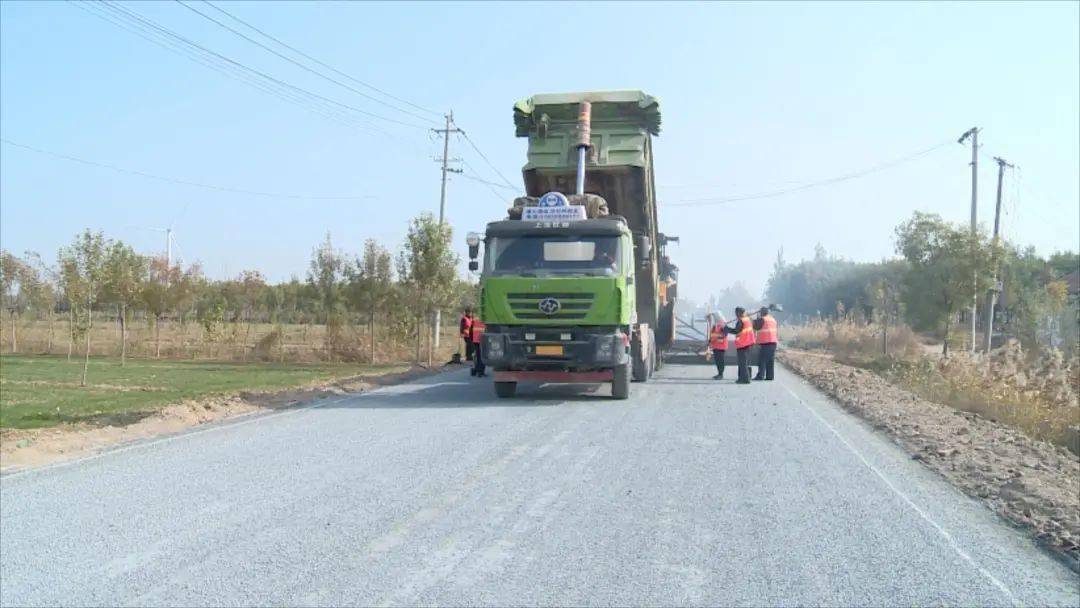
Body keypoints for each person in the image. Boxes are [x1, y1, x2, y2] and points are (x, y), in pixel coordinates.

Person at [727, 306, 756, 384]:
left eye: (736, 313)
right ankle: (741, 378)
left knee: (742, 363)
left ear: (739, 313)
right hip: (748, 343)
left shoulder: (741, 321)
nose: (735, 314)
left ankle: (745, 379)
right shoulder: (747, 319)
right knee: (744, 362)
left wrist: (727, 329)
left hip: (743, 343)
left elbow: (736, 331)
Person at [753, 306, 778, 381]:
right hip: (773, 342)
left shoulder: (762, 319)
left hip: (766, 342)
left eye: (760, 312)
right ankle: (770, 376)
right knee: (770, 360)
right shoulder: (773, 319)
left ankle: (760, 376)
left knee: (762, 360)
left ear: (762, 312)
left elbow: (756, 327)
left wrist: (757, 318)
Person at [706, 313, 730, 379]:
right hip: (715, 346)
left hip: (721, 346)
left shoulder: (724, 325)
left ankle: (721, 374)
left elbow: (724, 334)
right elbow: (712, 335)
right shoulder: (715, 325)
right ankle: (719, 373)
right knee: (717, 361)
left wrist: (717, 337)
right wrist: (710, 342)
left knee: (720, 361)